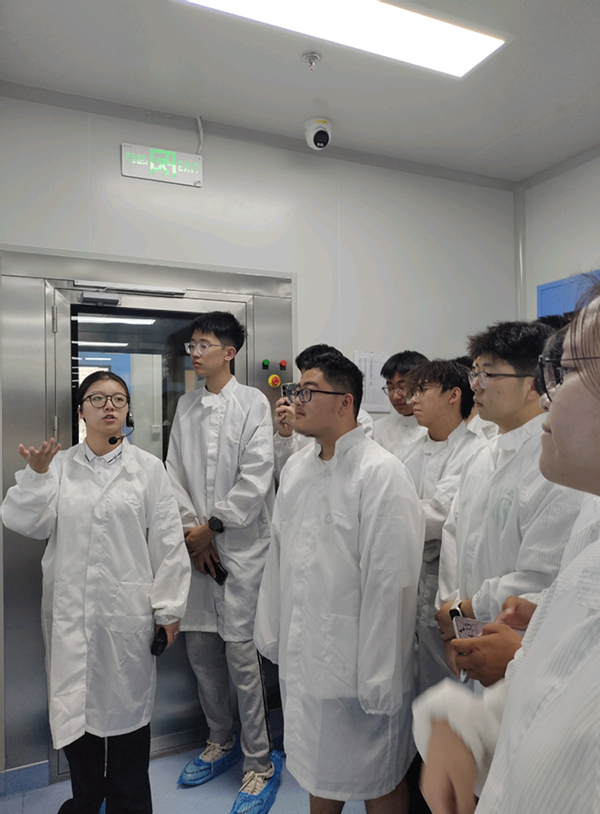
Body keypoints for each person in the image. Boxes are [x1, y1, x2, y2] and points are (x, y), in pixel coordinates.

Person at [413, 281, 600, 814]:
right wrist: (458, 621)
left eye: (566, 371)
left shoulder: (559, 472)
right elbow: (456, 543)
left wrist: (473, 616)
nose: (551, 392)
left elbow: (534, 578)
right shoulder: (486, 457)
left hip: (497, 638)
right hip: (484, 640)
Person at [1, 371, 191, 814]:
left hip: (127, 615)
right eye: (99, 398)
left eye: (119, 399)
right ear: (81, 410)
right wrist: (37, 476)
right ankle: (86, 801)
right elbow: (26, 522)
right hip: (71, 616)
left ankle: (129, 805)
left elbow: (167, 542)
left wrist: (169, 610)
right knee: (76, 716)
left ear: (127, 410)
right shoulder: (59, 467)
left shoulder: (148, 469)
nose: (110, 406)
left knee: (128, 719)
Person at [255, 345, 424, 814]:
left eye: (308, 391)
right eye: (296, 390)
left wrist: (380, 677)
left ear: (345, 402)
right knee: (316, 767)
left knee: (379, 776)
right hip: (306, 656)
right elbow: (278, 557)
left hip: (360, 663)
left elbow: (392, 584)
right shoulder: (297, 469)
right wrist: (272, 633)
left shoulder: (380, 473)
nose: (296, 400)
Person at [165, 311, 281, 814]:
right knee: (201, 654)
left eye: (204, 344)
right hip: (196, 549)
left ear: (229, 352)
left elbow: (257, 476)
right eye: (192, 345)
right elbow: (173, 472)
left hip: (242, 550)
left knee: (242, 659)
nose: (195, 352)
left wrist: (212, 526)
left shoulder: (253, 403)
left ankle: (260, 763)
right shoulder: (186, 405)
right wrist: (193, 533)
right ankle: (220, 739)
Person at [435, 321, 584, 669]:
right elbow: (453, 538)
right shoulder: (480, 457)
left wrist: (467, 609)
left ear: (532, 384)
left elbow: (541, 576)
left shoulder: (552, 462)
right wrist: (453, 615)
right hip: (467, 629)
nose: (475, 386)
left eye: (487, 375)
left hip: (519, 643)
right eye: (474, 374)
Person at [400, 360, 488, 692]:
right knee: (413, 675)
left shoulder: (474, 451)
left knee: (450, 680)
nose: (413, 399)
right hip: (410, 576)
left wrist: (384, 521)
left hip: (449, 584)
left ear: (454, 395)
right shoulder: (410, 449)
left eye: (422, 390)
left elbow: (435, 517)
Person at [273, 345, 374, 480]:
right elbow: (285, 472)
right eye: (300, 390)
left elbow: (350, 462)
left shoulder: (377, 468)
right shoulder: (295, 463)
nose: (298, 400)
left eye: (309, 390)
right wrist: (286, 435)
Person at [372, 350, 429, 456]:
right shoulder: (379, 428)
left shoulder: (435, 430)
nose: (395, 396)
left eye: (402, 387)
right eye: (390, 388)